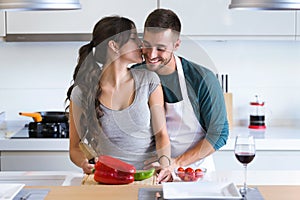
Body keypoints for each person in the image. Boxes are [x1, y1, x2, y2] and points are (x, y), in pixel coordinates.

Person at [65, 16, 171, 176]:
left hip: (146, 177)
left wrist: (164, 164)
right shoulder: (82, 91)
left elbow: (162, 135)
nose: (141, 45)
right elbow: (74, 148)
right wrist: (84, 163)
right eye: (134, 39)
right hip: (106, 178)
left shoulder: (149, 80)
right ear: (114, 46)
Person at [138, 9, 229, 182]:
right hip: (149, 174)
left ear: (176, 45)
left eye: (161, 48)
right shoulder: (135, 75)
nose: (151, 54)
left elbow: (219, 134)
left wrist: (175, 163)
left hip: (193, 174)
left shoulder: (202, 79)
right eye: (147, 45)